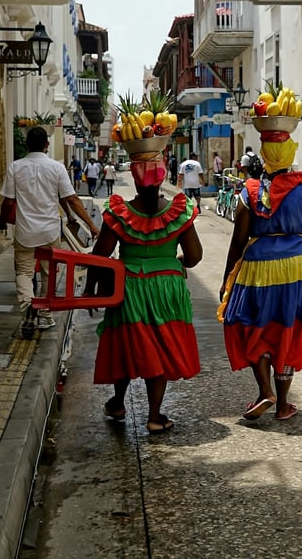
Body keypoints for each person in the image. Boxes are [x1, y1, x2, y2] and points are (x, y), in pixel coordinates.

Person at [218, 126, 302, 422]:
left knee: (251, 326)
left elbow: (238, 241)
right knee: (289, 329)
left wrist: (227, 278)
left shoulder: (248, 192)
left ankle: (265, 390)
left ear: (264, 156)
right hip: (300, 268)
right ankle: (283, 404)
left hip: (257, 267)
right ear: (289, 156)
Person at [86, 154, 203, 434]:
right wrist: (174, 262)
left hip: (129, 286)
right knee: (160, 346)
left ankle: (118, 402)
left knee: (128, 343)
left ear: (135, 181)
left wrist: (90, 288)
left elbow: (100, 255)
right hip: (167, 288)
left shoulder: (119, 212)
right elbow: (194, 256)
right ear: (161, 179)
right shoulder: (179, 212)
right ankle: (154, 415)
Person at [0, 126, 99, 337]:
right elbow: (72, 199)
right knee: (48, 273)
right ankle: (44, 315)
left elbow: (8, 201)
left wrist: (3, 222)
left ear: (26, 144)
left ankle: (28, 306)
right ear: (47, 145)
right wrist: (92, 225)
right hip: (50, 232)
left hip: (25, 231)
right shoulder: (57, 168)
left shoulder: (15, 167)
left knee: (23, 273)